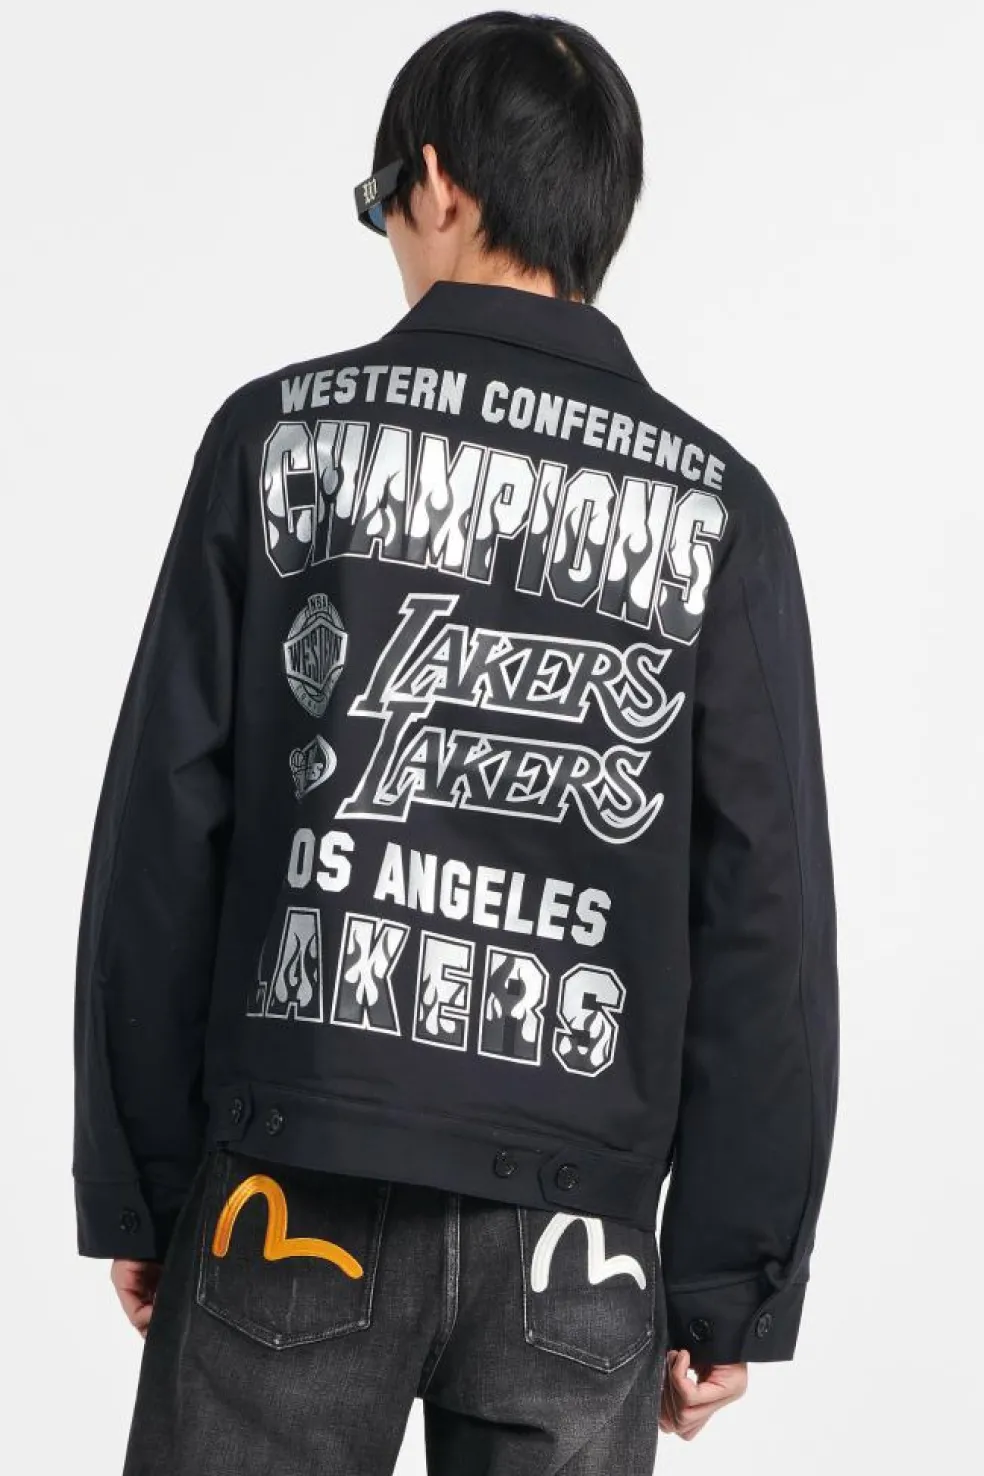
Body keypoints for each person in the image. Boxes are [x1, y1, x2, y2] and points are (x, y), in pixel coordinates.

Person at [73, 11, 839, 1474]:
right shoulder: (720, 510)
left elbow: (163, 830)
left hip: (287, 1183)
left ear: (434, 181)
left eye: (380, 201)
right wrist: (731, 1273)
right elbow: (766, 915)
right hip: (579, 1239)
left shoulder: (277, 441)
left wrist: (147, 1181)